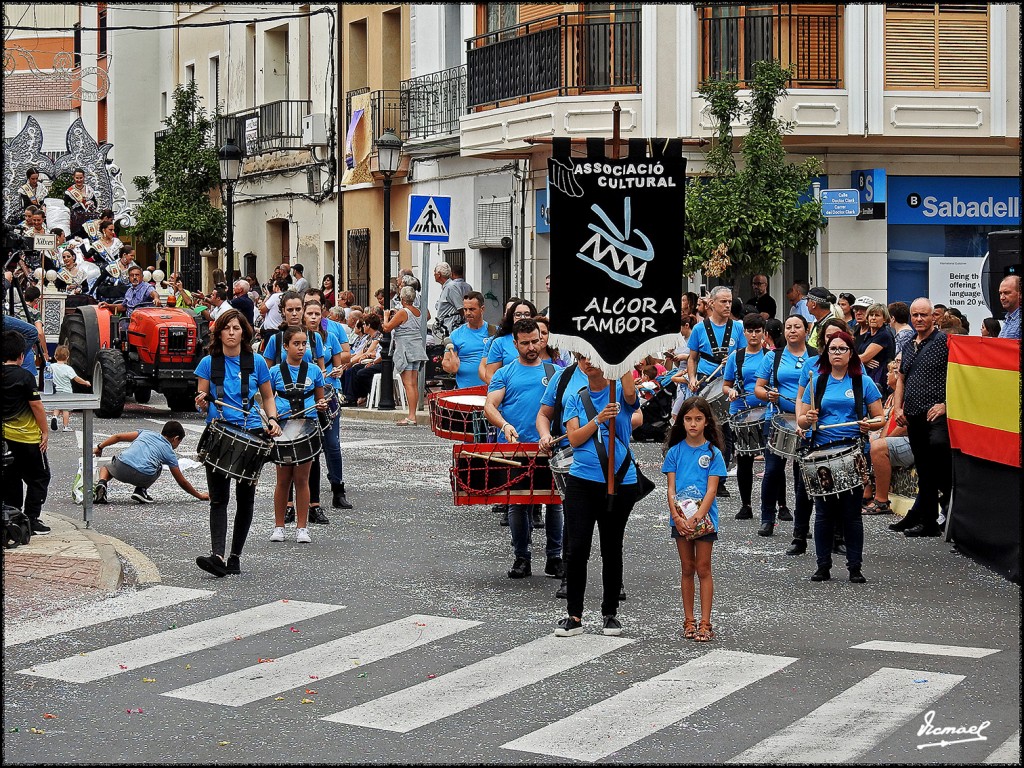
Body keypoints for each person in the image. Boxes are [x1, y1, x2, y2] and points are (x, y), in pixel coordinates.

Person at [552, 357, 638, 638]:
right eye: (581, 358)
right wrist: (598, 419)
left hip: (619, 480)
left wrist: (621, 356)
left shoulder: (620, 395)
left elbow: (630, 394)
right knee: (577, 548)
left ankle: (610, 613)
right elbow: (574, 438)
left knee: (612, 547)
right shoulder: (577, 397)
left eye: (593, 356)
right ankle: (574, 615)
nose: (587, 362)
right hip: (582, 481)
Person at [194, 310, 281, 576]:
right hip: (220, 432)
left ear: (244, 332)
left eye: (236, 328)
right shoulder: (208, 363)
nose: (231, 332)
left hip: (251, 431)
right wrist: (200, 402)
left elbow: (267, 397)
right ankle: (217, 556)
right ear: (219, 332)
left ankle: (235, 556)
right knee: (219, 499)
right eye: (227, 328)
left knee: (245, 499)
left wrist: (273, 419)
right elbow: (202, 397)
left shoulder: (256, 362)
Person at [798, 331, 884, 583]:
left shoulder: (862, 382)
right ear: (826, 353)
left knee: (851, 514)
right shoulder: (817, 382)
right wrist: (808, 419)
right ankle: (823, 566)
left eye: (842, 349)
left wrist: (870, 425)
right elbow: (802, 420)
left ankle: (854, 567)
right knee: (824, 513)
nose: (837, 353)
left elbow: (880, 418)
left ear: (851, 353)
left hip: (852, 451)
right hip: (822, 453)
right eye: (833, 349)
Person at [484, 318, 563, 580]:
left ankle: (555, 558)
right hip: (516, 448)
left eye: (536, 341)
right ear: (515, 343)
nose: (532, 347)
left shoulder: (555, 372)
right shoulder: (505, 373)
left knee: (555, 503)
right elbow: (490, 406)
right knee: (517, 504)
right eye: (526, 343)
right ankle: (522, 557)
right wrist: (505, 425)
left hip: (550, 447)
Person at [662, 396, 727, 641]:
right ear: (681, 422)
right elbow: (670, 488)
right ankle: (688, 620)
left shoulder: (713, 454)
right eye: (688, 419)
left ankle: (705, 622)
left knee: (704, 568)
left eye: (698, 419)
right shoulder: (674, 452)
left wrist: (699, 516)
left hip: (705, 519)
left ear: (707, 422)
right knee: (687, 567)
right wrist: (677, 517)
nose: (692, 424)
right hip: (680, 518)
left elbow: (712, 489)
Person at [754, 315, 816, 549]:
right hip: (777, 419)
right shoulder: (774, 356)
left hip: (806, 422)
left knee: (803, 475)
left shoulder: (815, 356)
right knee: (772, 471)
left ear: (806, 329)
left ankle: (803, 524)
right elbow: (758, 388)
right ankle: (767, 518)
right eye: (788, 327)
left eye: (797, 326)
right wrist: (768, 395)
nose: (792, 331)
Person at [891, 298, 950, 538]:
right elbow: (901, 378)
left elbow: (959, 376)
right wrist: (897, 408)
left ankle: (941, 513)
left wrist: (946, 404)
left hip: (936, 414)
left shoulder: (945, 342)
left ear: (933, 317)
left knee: (938, 459)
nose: (918, 319)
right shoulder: (907, 345)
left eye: (923, 315)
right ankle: (927, 520)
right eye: (915, 315)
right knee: (924, 468)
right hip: (913, 414)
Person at [268, 326, 327, 544]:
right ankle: (279, 526)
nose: (301, 348)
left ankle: (302, 528)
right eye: (296, 344)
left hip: (307, 427)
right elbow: (268, 399)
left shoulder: (314, 371)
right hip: (282, 429)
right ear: (285, 346)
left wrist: (321, 405)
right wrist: (272, 419)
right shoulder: (274, 372)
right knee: (283, 479)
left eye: (304, 344)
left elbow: (320, 399)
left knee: (302, 479)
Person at [1, 330, 51, 536]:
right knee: (40, 477)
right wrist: (45, 432)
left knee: (11, 478)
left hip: (5, 440)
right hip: (28, 438)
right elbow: (37, 406)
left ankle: (13, 516)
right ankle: (31, 518)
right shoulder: (25, 376)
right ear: (21, 355)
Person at [721, 313, 768, 521]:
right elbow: (726, 384)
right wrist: (729, 391)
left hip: (767, 412)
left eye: (758, 331)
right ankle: (746, 505)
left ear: (764, 333)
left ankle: (781, 504)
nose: (754, 335)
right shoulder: (736, 356)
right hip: (742, 412)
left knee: (774, 460)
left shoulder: (770, 356)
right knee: (745, 460)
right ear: (745, 333)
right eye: (750, 331)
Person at [92, 421, 208, 504]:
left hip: (121, 468)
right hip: (143, 475)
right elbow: (181, 481)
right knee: (158, 467)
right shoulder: (169, 453)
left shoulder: (145, 433)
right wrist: (199, 495)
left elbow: (118, 437)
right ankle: (140, 490)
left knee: (106, 467)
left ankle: (102, 483)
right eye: (179, 442)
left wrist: (100, 447)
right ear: (176, 438)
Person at [862, 361, 912, 515]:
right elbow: (888, 421)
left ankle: (881, 501)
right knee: (865, 440)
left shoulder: (910, 391)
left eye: (893, 371)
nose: (886, 374)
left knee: (877, 446)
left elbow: (904, 424)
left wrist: (882, 440)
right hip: (895, 437)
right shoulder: (892, 397)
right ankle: (866, 489)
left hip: (914, 439)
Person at [382, 285, 427, 426]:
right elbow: (425, 316)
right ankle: (412, 414)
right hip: (416, 348)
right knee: (413, 383)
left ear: (402, 298)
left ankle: (411, 416)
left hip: (406, 349)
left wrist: (386, 316)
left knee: (408, 384)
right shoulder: (418, 311)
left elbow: (387, 327)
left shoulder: (403, 311)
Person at [442, 291, 494, 388]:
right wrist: (451, 366)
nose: (467, 313)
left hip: (492, 391)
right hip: (465, 392)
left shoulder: (494, 332)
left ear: (482, 309)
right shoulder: (456, 335)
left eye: (472, 309)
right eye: (465, 309)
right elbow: (446, 363)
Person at [480, 299, 537, 384]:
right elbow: (490, 375)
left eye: (527, 314)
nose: (522, 318)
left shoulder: (542, 339)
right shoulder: (499, 342)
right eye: (518, 314)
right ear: (512, 317)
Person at [48, 345, 91, 433]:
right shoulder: (68, 368)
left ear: (55, 356)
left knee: (57, 406)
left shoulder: (51, 367)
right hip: (66, 391)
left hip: (55, 390)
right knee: (66, 409)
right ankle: (65, 426)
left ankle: (54, 417)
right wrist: (85, 382)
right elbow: (76, 379)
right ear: (67, 357)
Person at [857, 303, 896, 397]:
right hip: (867, 374)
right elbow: (861, 357)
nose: (873, 318)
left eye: (877, 315)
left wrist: (862, 360)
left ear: (884, 319)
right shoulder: (869, 334)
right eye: (871, 315)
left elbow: (864, 357)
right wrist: (863, 361)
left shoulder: (883, 335)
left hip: (879, 378)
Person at [432, 262, 466, 339]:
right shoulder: (447, 287)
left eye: (435, 272)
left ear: (439, 274)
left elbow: (460, 307)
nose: (434, 274)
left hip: (451, 328)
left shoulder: (451, 287)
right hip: (447, 327)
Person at [63, 168, 98, 234]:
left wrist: (91, 203)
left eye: (81, 178)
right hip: (76, 219)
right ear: (74, 177)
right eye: (77, 178)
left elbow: (95, 204)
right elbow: (65, 206)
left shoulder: (89, 190)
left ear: (84, 177)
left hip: (89, 218)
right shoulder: (69, 192)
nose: (79, 180)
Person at [997, 275, 1021, 339]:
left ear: (1020, 294)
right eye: (1000, 293)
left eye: (1006, 293)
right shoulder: (1008, 319)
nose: (1002, 298)